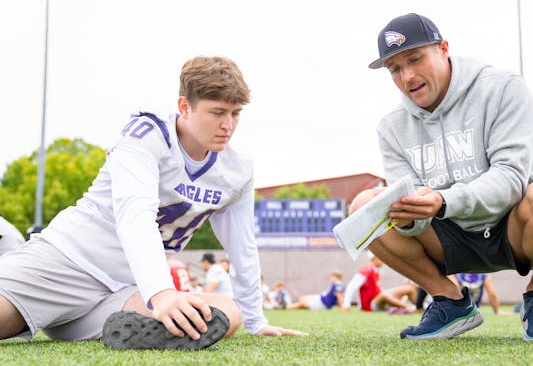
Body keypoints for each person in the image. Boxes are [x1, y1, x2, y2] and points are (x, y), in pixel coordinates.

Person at [0, 55, 306, 350]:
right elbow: (136, 214)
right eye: (217, 112)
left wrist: (256, 320)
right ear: (184, 106)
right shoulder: (146, 136)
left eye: (235, 113)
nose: (228, 124)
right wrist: (162, 293)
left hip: (126, 291)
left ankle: (108, 326)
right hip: (67, 264)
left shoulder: (237, 167)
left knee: (227, 313)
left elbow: (242, 244)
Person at [351, 13, 533, 342]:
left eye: (415, 59)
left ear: (444, 48)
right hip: (448, 238)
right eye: (395, 68)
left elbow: (510, 177)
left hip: (511, 228)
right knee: (364, 207)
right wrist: (406, 217)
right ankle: (449, 301)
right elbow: (411, 210)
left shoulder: (503, 88)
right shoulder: (392, 127)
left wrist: (445, 200)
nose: (407, 76)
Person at [341, 252, 417, 313]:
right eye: (381, 258)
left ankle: (419, 307)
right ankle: (408, 308)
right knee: (383, 295)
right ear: (375, 258)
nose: (383, 261)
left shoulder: (376, 270)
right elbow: (351, 286)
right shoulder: (366, 270)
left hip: (380, 300)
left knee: (409, 288)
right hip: (369, 305)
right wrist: (346, 305)